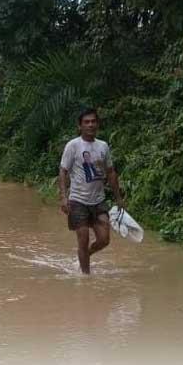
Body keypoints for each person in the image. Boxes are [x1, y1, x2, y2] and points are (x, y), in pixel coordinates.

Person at [59, 108, 125, 274]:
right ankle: (86, 277)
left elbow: (110, 171)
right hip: (78, 201)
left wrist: (118, 198)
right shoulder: (73, 145)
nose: (90, 125)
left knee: (104, 239)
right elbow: (63, 171)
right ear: (80, 126)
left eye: (93, 121)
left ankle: (85, 255)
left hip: (98, 200)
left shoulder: (103, 146)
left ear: (98, 124)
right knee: (83, 239)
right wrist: (63, 197)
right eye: (86, 122)